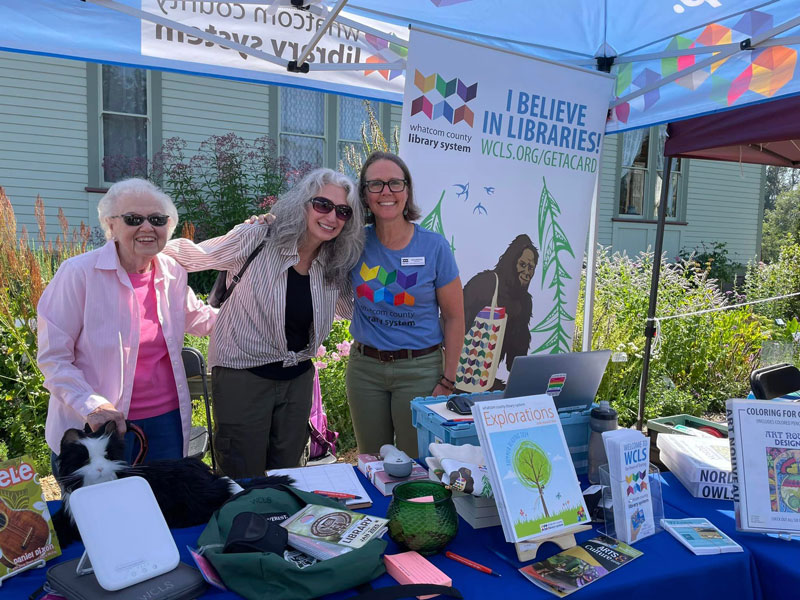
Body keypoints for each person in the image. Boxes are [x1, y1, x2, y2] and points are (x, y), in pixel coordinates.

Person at [163, 168, 363, 478]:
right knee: (243, 475)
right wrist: (135, 247)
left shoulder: (334, 262)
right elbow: (187, 257)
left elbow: (352, 308)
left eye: (343, 211)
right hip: (243, 378)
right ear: (302, 204)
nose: (332, 216)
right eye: (322, 204)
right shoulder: (257, 237)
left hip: (297, 382)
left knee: (290, 475)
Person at [38, 178, 217, 474]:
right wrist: (92, 406)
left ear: (168, 227)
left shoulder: (172, 272)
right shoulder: (78, 274)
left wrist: (256, 313)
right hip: (96, 426)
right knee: (101, 514)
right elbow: (54, 359)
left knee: (163, 508)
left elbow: (199, 318)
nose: (147, 228)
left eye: (157, 220)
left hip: (166, 423)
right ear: (111, 225)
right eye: (134, 219)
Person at [346, 151, 464, 458]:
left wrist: (448, 381)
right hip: (365, 371)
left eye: (395, 183)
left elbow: (454, 317)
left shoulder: (434, 246)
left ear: (407, 191)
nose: (386, 192)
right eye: (376, 185)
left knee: (418, 464)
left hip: (420, 371)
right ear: (365, 195)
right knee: (371, 461)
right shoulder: (353, 242)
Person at [462, 234, 539, 386]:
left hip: (486, 380)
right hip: (462, 371)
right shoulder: (486, 283)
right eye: (522, 265)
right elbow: (455, 322)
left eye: (531, 268)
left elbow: (516, 357)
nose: (527, 272)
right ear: (511, 263)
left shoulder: (524, 302)